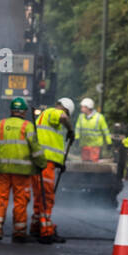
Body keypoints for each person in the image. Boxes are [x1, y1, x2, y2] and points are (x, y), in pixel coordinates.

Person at [0, 97, 46, 243]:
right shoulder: (28, 126)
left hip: (3, 170)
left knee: (0, 198)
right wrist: (41, 164)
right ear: (24, 112)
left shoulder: (1, 125)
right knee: (20, 201)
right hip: (23, 172)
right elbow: (36, 150)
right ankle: (19, 232)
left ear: (11, 110)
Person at [31, 97, 76, 243]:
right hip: (45, 164)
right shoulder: (53, 112)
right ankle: (46, 231)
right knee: (46, 198)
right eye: (68, 115)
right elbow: (61, 116)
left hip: (42, 163)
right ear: (65, 109)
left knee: (40, 198)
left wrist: (59, 163)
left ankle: (36, 227)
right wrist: (71, 129)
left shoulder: (46, 118)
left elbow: (50, 144)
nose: (66, 118)